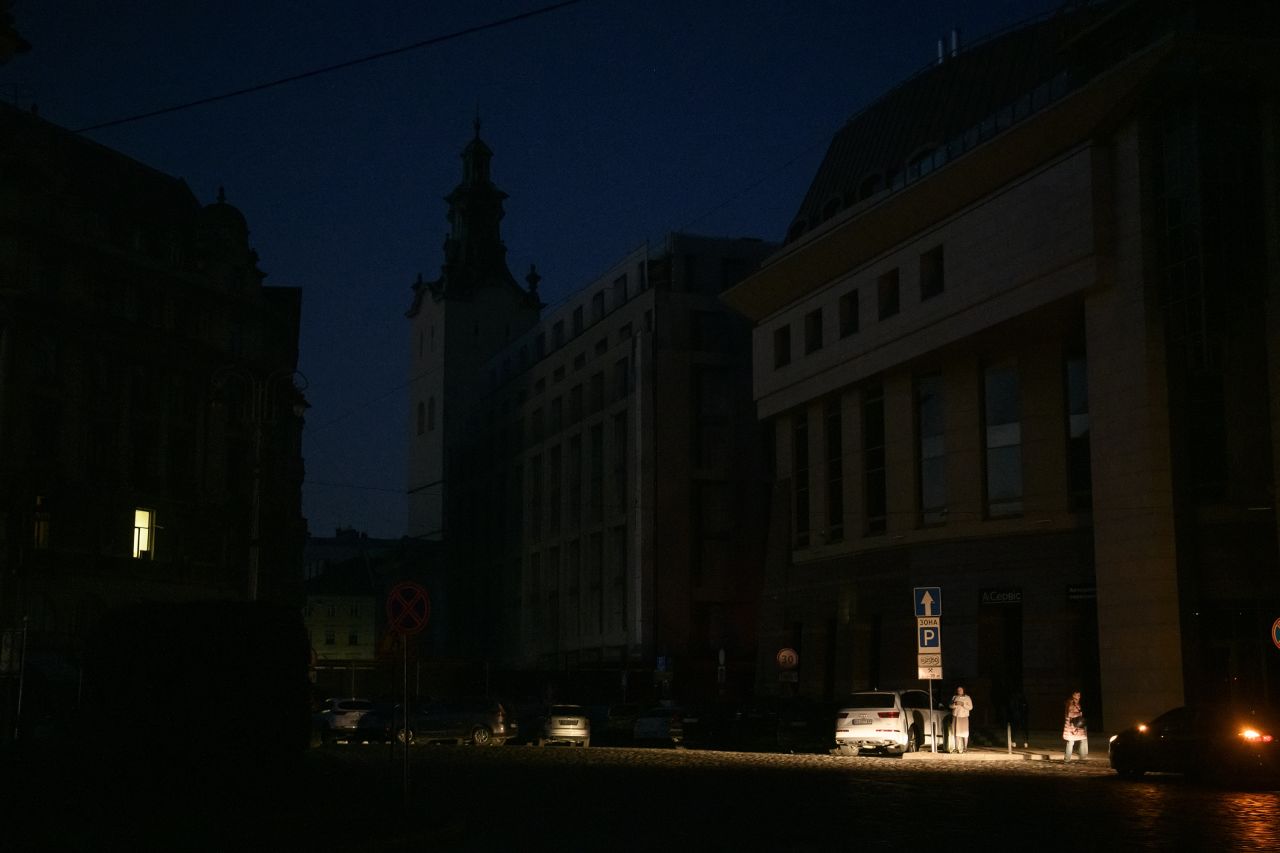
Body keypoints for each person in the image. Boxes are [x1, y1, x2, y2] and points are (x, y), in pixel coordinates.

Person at [1063, 690, 1088, 761]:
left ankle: (1081, 757)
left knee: (1082, 739)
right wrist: (1079, 714)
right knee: (1071, 741)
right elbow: (1069, 714)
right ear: (1073, 695)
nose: (1079, 697)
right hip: (1072, 725)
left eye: (1079, 695)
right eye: (1077, 695)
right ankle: (1067, 759)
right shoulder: (1071, 703)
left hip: (1076, 725)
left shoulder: (1076, 703)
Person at [949, 686, 973, 753]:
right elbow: (950, 706)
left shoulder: (967, 697)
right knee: (956, 733)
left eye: (961, 690)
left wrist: (963, 704)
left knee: (964, 733)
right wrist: (955, 704)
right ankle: (956, 748)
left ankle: (965, 748)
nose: (959, 691)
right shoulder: (954, 697)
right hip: (956, 716)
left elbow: (971, 707)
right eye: (958, 690)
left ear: (963, 690)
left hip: (964, 717)